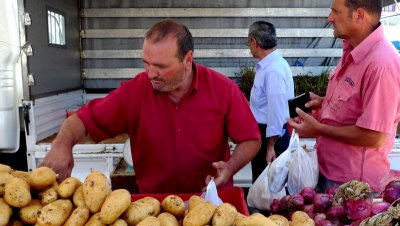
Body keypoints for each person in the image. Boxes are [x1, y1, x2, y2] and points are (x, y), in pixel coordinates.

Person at [41, 19, 261, 194]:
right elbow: (80, 120)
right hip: (154, 210)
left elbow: (251, 139)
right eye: (146, 63)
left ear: (187, 59)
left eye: (160, 66)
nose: (150, 73)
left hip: (210, 204)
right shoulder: (134, 92)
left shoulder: (222, 90)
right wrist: (62, 145)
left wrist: (230, 167)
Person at [289, 0, 400, 192]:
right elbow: (355, 103)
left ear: (359, 15)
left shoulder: (381, 64)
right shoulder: (352, 49)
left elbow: (374, 136)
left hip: (353, 187)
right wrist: (324, 102)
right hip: (329, 173)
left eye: (335, 12)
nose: (329, 18)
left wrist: (319, 129)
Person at [247, 21, 294, 182]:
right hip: (266, 134)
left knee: (269, 192)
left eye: (249, 42)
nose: (249, 47)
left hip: (271, 137)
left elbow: (277, 111)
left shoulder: (273, 69)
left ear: (254, 42)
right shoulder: (269, 66)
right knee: (263, 189)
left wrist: (270, 147)